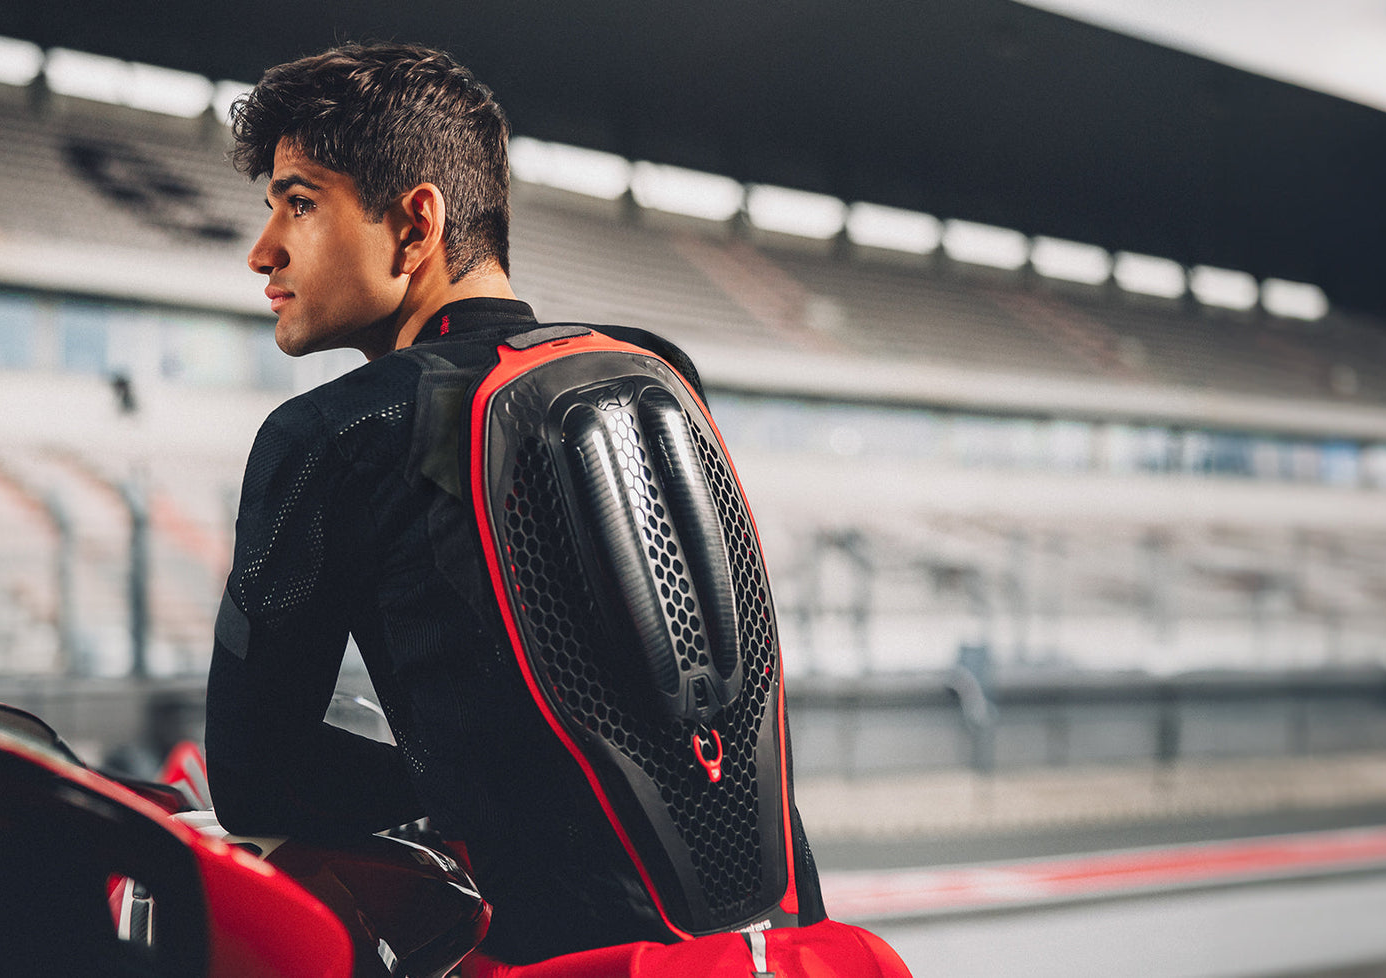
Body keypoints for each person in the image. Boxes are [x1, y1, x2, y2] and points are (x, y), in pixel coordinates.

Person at [206, 42, 904, 975]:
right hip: (807, 952)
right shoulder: (659, 369)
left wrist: (457, 782)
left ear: (416, 225)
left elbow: (256, 781)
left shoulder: (331, 433)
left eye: (300, 203)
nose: (264, 251)